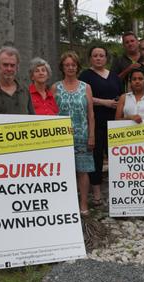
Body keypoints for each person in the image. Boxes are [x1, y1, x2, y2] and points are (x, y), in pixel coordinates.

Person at [51, 51, 96, 215]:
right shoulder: (55, 87)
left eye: (73, 65)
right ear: (62, 67)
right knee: (63, 171)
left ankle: (84, 204)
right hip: (61, 137)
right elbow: (51, 113)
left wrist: (92, 135)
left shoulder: (86, 87)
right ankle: (66, 205)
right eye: (67, 65)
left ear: (77, 67)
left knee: (82, 171)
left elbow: (90, 113)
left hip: (82, 134)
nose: (70, 67)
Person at [79, 46, 123, 207]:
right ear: (90, 58)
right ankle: (96, 194)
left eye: (101, 55)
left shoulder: (115, 77)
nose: (98, 58)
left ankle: (118, 192)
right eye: (95, 55)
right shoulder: (85, 76)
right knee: (96, 158)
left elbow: (122, 95)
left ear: (106, 58)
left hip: (114, 123)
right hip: (94, 123)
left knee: (116, 157)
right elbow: (83, 96)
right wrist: (104, 102)